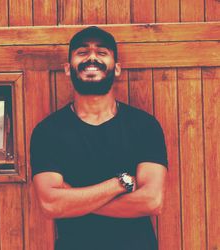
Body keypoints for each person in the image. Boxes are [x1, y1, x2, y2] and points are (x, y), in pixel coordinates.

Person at [30, 26, 168, 250]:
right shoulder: (48, 131)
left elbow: (152, 201)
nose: (92, 57)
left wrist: (73, 199)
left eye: (102, 52)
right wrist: (119, 184)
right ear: (67, 68)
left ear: (117, 69)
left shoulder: (144, 126)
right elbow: (50, 204)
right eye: (82, 52)